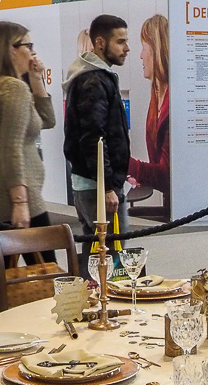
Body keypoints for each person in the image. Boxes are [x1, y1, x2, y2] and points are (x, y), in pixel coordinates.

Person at [0, 21, 56, 321]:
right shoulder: (13, 89)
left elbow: (47, 120)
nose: (32, 52)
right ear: (9, 50)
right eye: (27, 45)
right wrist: (20, 202)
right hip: (16, 195)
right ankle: (52, 327)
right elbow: (11, 148)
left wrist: (37, 79)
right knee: (48, 270)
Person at [62, 14, 130, 276]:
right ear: (100, 43)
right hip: (96, 186)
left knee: (99, 256)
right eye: (120, 42)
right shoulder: (93, 81)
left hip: (95, 183)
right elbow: (93, 138)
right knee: (109, 261)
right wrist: (107, 187)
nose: (127, 48)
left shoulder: (98, 77)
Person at [127, 15, 170, 218]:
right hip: (170, 200)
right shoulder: (156, 95)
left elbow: (166, 175)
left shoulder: (172, 102)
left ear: (156, 49)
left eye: (144, 47)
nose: (140, 55)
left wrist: (126, 164)